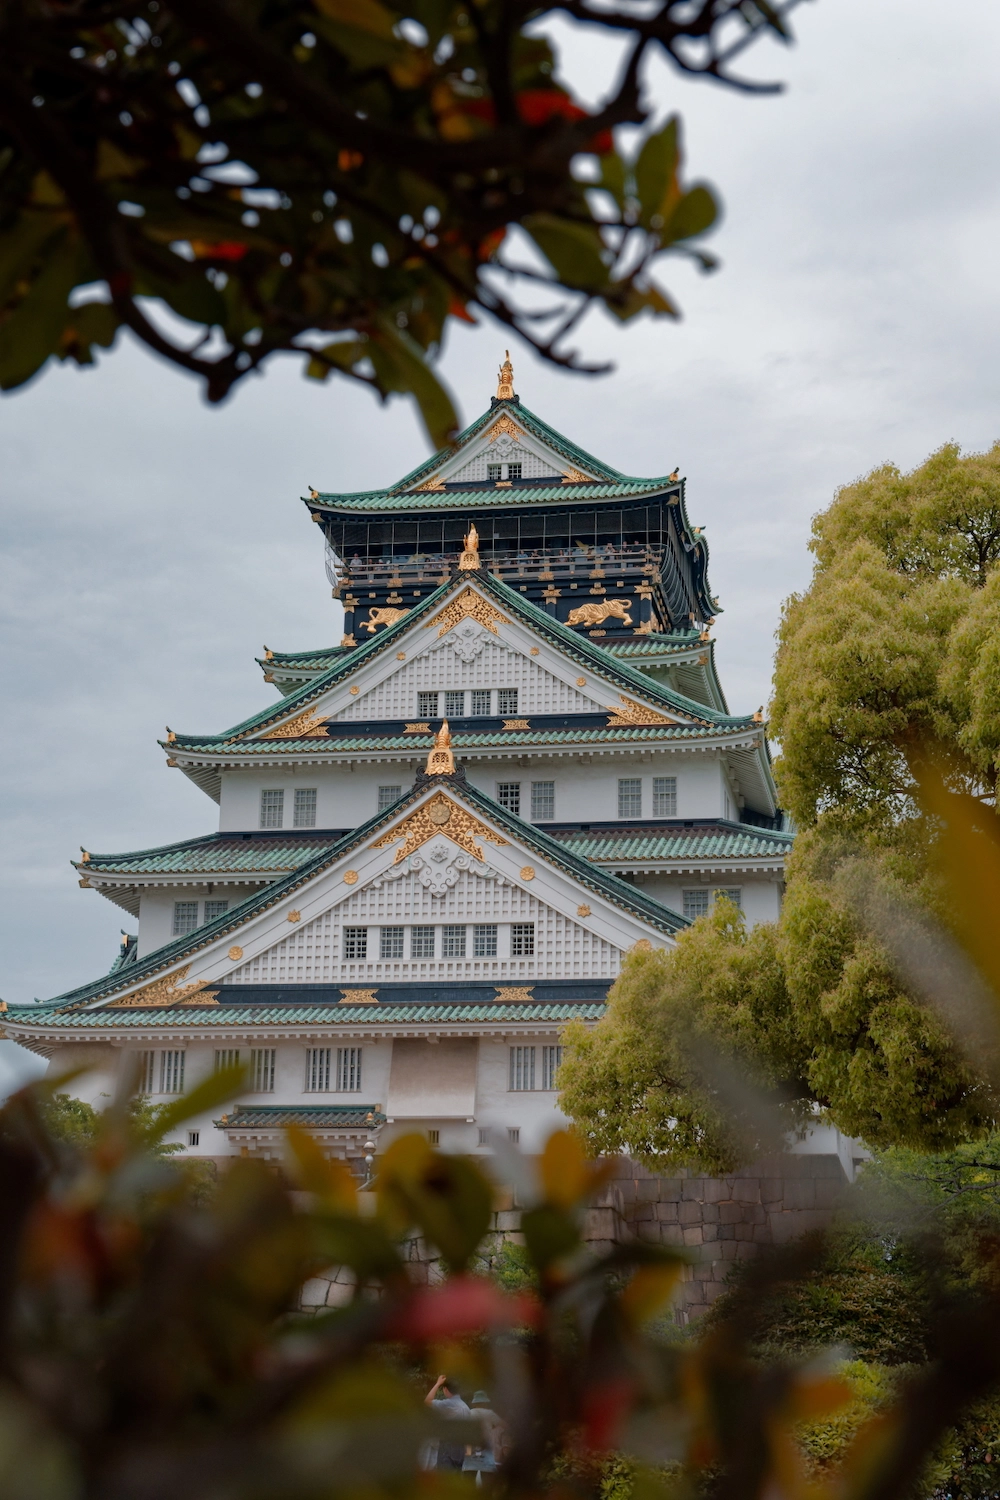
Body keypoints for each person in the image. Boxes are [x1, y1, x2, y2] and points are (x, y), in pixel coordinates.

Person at [425, 1374, 471, 1471]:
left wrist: (438, 1383)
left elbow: (427, 1402)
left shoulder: (448, 1404)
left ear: (445, 1389)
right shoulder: (466, 1407)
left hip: (447, 1447)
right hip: (460, 1449)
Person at [462, 1390, 506, 1483]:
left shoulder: (469, 1413)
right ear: (485, 1402)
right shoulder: (490, 1414)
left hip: (470, 1447)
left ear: (474, 1403)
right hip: (486, 1448)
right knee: (487, 1480)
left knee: (469, 1479)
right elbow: (503, 1424)